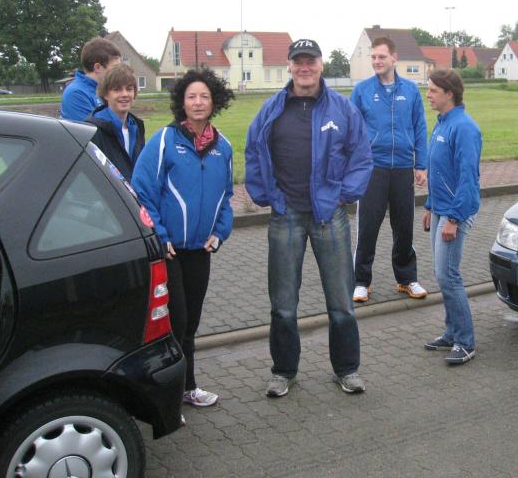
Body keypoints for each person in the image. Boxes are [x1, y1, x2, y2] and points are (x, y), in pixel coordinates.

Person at [244, 38, 372, 397]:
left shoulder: (343, 110)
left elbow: (362, 156)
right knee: (283, 305)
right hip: (285, 216)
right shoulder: (271, 109)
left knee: (341, 303)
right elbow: (253, 151)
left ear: (320, 65)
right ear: (289, 65)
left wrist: (343, 195)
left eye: (310, 61)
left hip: (329, 216)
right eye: (298, 61)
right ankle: (283, 371)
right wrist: (265, 195)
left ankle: (347, 369)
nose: (304, 67)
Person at [132, 68, 235, 409]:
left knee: (190, 324)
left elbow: (226, 197)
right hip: (170, 251)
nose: (198, 102)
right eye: (191, 96)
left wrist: (220, 233)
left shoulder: (224, 147)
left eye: (204, 96)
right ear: (182, 102)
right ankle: (167, 396)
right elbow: (142, 191)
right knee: (174, 322)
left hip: (199, 252)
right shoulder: (165, 140)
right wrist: (160, 236)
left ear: (215, 101)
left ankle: (187, 388)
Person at [350, 36, 428, 303]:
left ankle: (407, 279)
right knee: (367, 227)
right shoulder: (362, 91)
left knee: (404, 227)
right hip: (373, 169)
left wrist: (421, 164)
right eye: (373, 57)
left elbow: (420, 127)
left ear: (394, 58)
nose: (376, 61)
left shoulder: (411, 90)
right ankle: (361, 282)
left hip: (403, 167)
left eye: (381, 57)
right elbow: (351, 130)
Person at [422, 69, 481, 365]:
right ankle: (451, 332)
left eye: (433, 90)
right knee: (441, 274)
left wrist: (454, 219)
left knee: (449, 275)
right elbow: (438, 171)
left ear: (449, 93)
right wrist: (430, 206)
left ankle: (465, 342)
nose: (428, 95)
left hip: (454, 214)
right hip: (440, 210)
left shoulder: (464, 128)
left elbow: (468, 178)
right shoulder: (442, 123)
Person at [86, 64, 144, 181]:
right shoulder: (93, 130)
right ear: (105, 94)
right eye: (117, 89)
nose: (125, 94)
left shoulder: (137, 127)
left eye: (129, 89)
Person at [61, 37, 122, 121]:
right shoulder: (76, 94)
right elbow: (91, 128)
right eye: (115, 68)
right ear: (98, 67)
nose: (119, 72)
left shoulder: (103, 90)